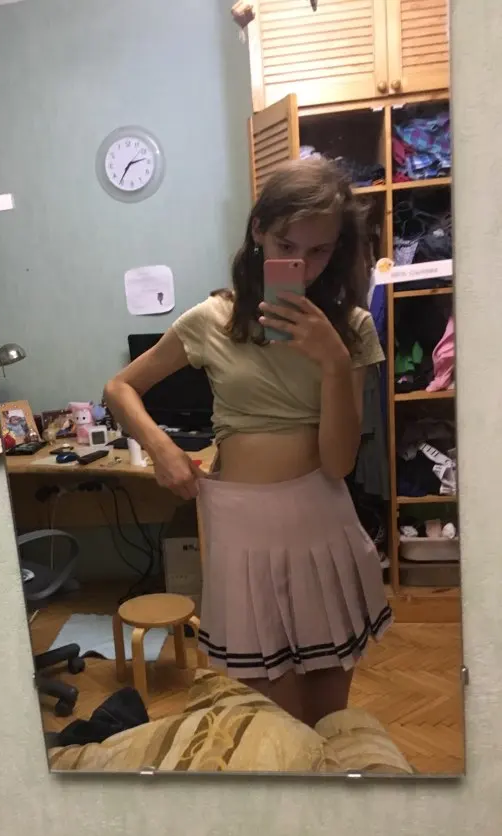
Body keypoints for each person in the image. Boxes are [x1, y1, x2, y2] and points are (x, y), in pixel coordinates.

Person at [104, 159, 392, 727]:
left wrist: (334, 361)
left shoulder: (352, 329)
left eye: (320, 250)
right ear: (258, 230)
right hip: (240, 531)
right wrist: (162, 448)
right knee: (273, 724)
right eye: (287, 244)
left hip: (321, 523)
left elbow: (338, 463)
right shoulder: (211, 319)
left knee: (327, 722)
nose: (302, 264)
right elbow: (120, 387)